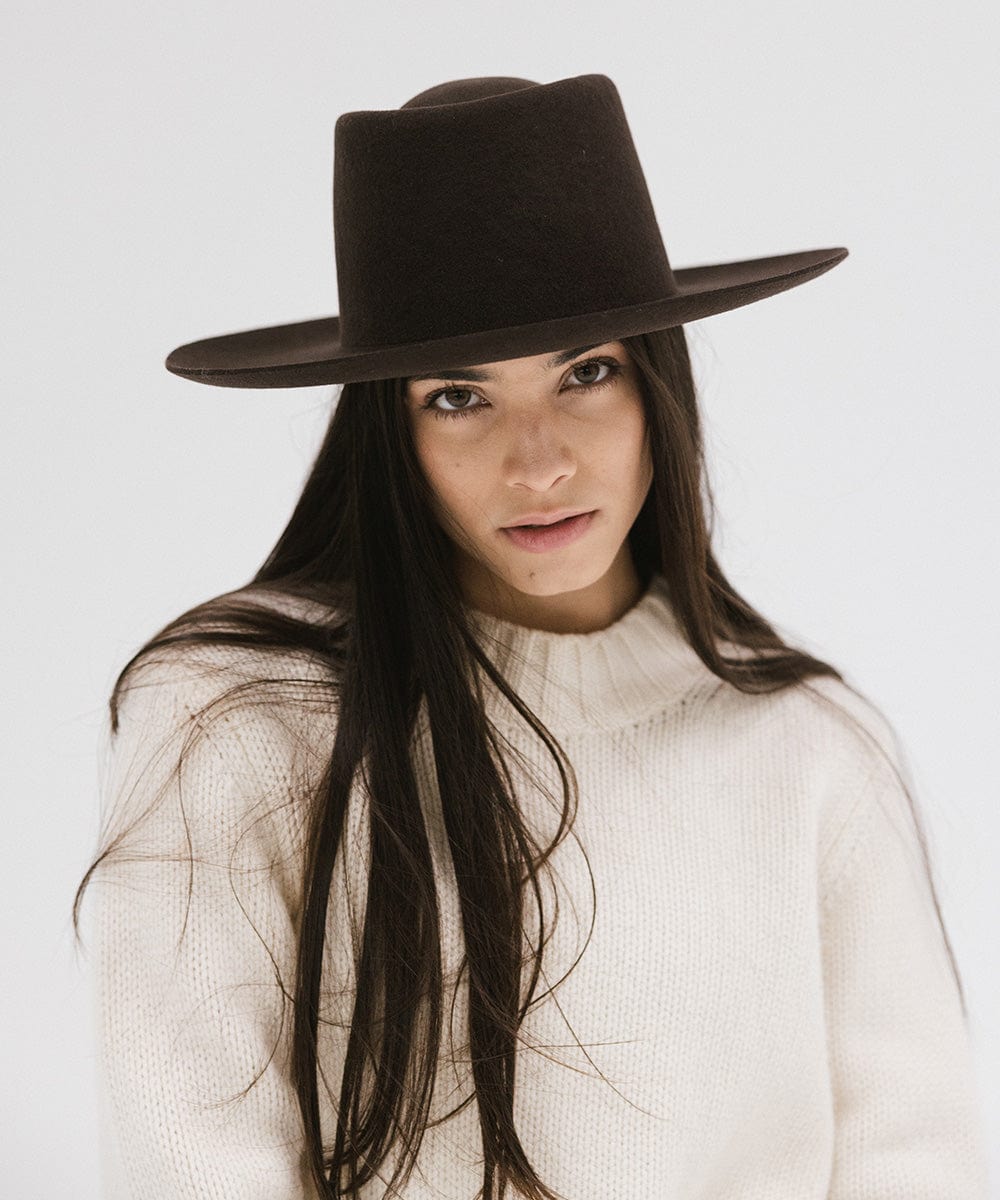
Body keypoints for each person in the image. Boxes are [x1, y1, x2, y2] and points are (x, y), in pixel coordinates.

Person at [73, 74, 990, 1200]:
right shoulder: (243, 719)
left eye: (587, 372)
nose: (539, 460)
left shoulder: (806, 748)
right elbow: (193, 1152)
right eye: (459, 397)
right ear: (387, 431)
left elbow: (915, 1154)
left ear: (659, 387)